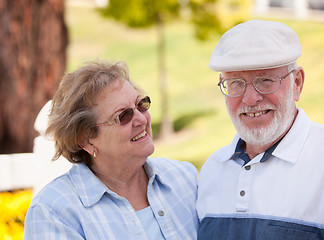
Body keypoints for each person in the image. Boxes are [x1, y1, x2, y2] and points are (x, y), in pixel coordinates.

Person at [196, 19, 324, 240]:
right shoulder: (212, 171)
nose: (250, 99)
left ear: (297, 83)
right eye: (235, 83)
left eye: (265, 80)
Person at [24, 60, 198, 239]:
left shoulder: (184, 178)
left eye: (141, 105)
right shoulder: (54, 212)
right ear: (85, 139)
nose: (142, 120)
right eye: (123, 116)